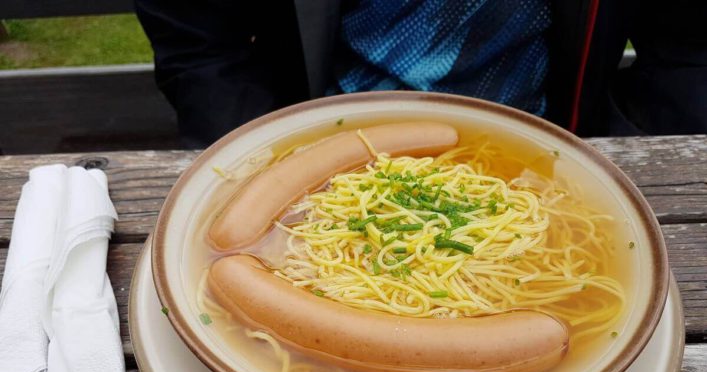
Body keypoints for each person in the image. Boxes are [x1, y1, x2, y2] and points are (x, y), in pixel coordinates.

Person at [135, 0, 707, 148]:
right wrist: (269, 166)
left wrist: (634, 151)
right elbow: (203, 49)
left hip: (554, 152)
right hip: (310, 156)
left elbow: (688, 49)